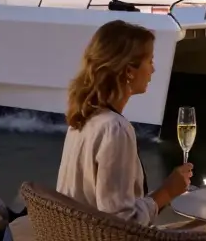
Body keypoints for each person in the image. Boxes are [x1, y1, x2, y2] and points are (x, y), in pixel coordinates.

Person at [56, 20, 193, 225]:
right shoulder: (114, 129)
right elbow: (122, 223)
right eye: (150, 60)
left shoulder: (81, 119)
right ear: (129, 70)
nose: (153, 70)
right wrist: (167, 191)